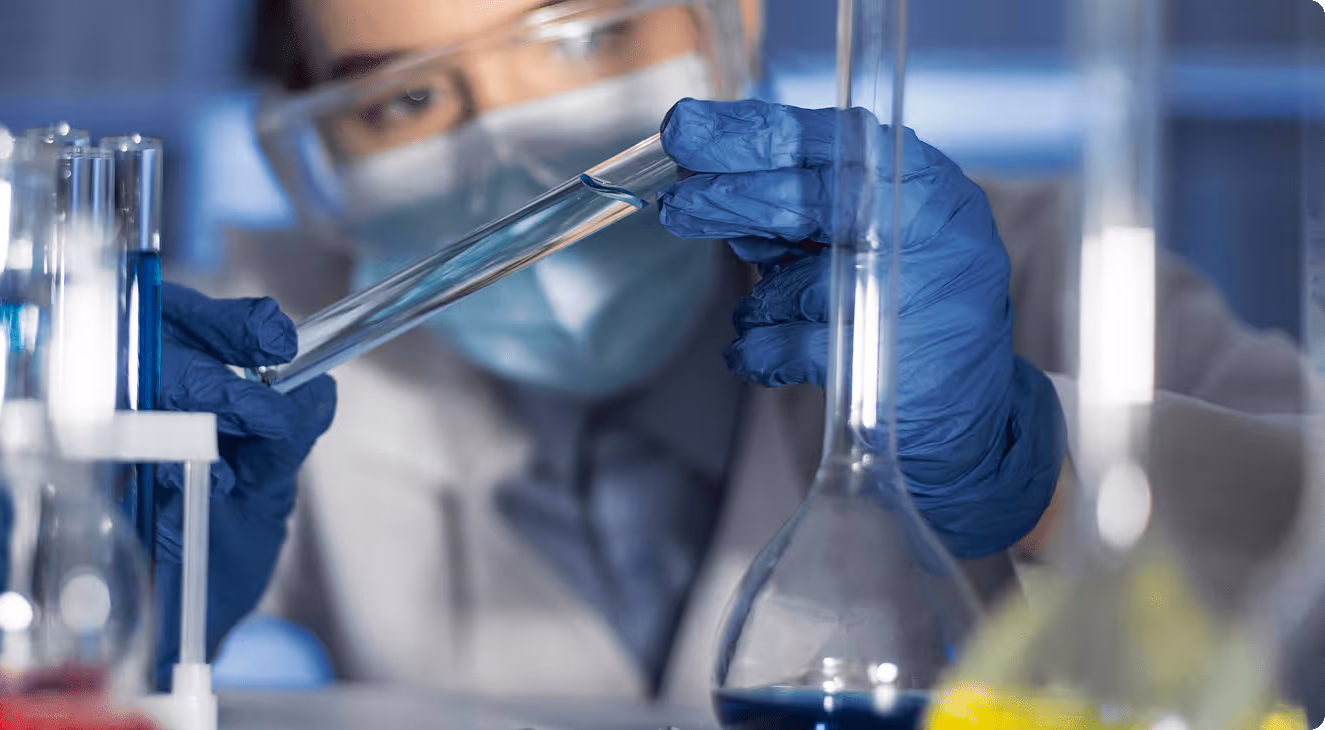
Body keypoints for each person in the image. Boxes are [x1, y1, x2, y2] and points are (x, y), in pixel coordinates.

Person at [155, 0, 1312, 705]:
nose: (514, 155)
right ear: (305, 134)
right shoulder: (262, 346)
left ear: (730, 15)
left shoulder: (1030, 266)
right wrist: (127, 614)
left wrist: (1042, 476)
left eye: (587, 35)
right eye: (398, 105)